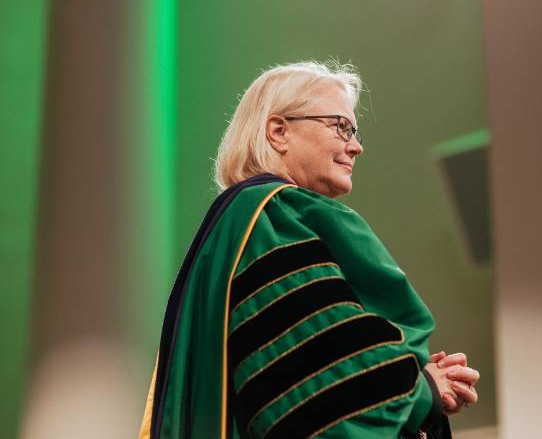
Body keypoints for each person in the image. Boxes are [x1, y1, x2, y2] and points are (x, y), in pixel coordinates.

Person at [138, 61, 479, 439]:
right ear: (279, 131)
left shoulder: (242, 224)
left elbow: (303, 353)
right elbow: (315, 384)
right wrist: (416, 389)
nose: (357, 146)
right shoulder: (275, 216)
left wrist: (404, 372)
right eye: (341, 127)